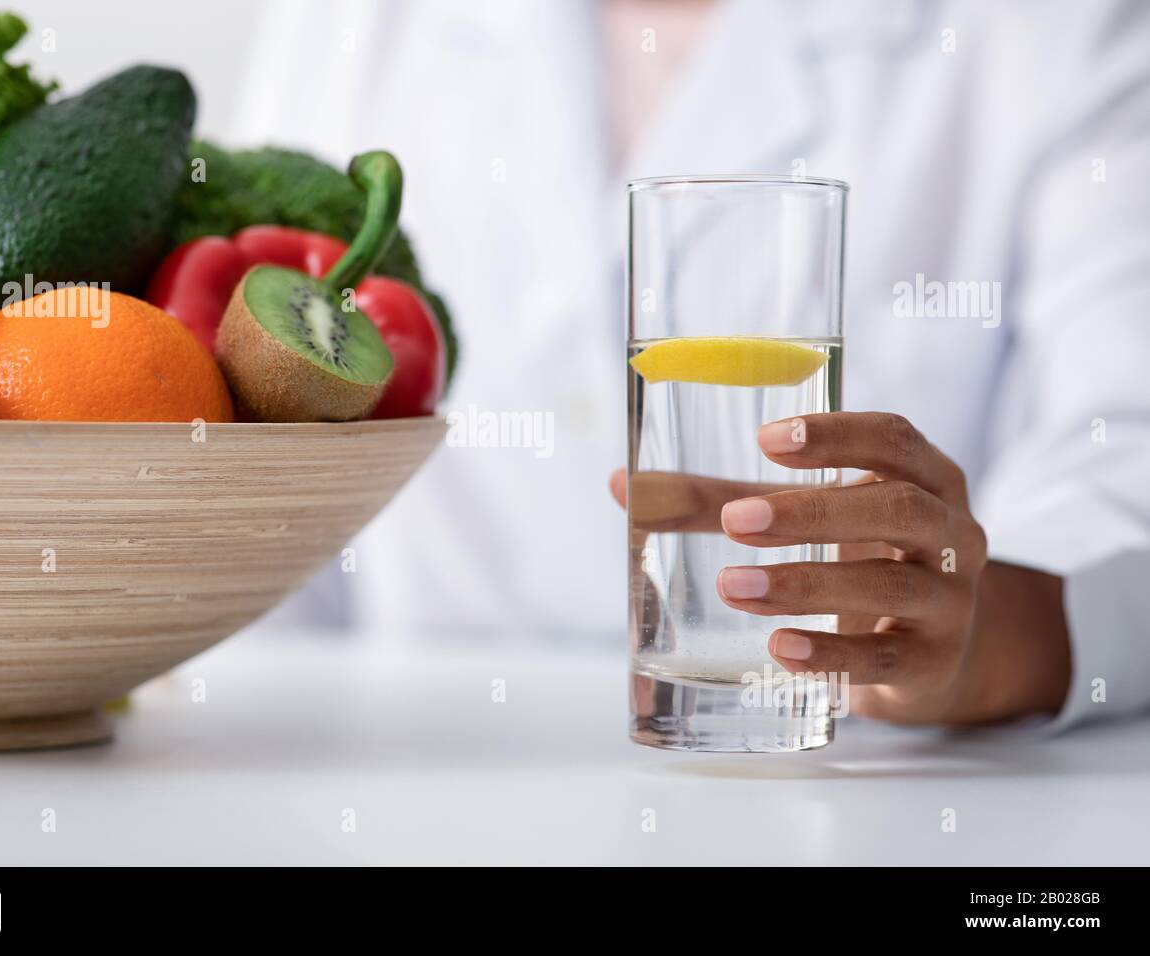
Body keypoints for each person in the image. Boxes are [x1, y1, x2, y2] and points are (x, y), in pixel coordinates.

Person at [235, 0, 1150, 730]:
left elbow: (1125, 456)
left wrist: (975, 644)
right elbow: (265, 465)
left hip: (861, 789)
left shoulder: (1053, 28)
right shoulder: (348, 19)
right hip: (426, 769)